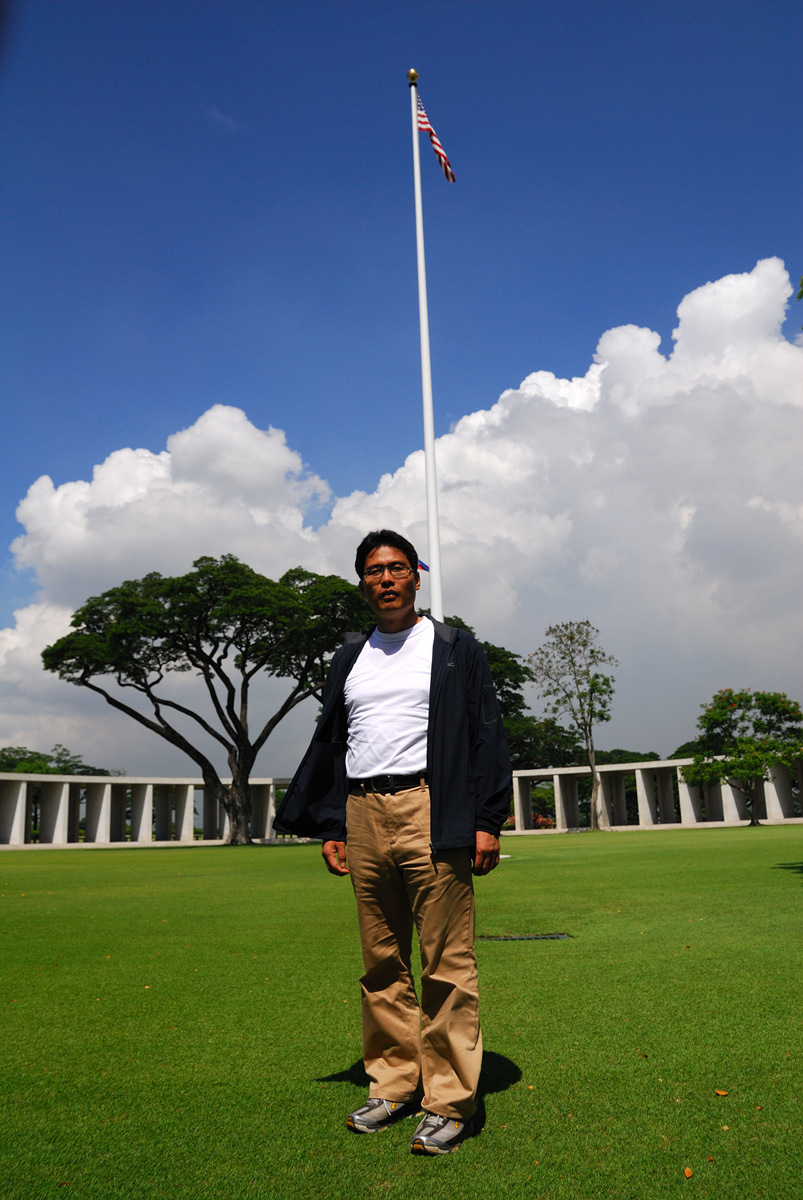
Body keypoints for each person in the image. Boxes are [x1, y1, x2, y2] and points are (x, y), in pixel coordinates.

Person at [274, 529, 512, 1155]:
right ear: (362, 583)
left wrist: (488, 819)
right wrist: (334, 824)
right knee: (382, 960)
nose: (386, 579)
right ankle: (393, 1083)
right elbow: (335, 742)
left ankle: (449, 1101)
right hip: (363, 812)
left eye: (397, 568)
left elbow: (487, 733)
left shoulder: (454, 647)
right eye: (374, 571)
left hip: (431, 806)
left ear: (415, 576)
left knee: (446, 960)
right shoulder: (350, 655)